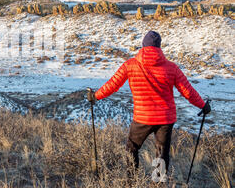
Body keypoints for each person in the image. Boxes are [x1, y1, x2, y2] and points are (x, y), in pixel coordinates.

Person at [87, 30, 211, 174]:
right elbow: (187, 91)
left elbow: (113, 84)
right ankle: (158, 183)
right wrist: (203, 105)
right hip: (165, 118)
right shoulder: (172, 68)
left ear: (143, 46)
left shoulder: (130, 65)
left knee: (131, 148)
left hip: (142, 118)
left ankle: (131, 181)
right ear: (159, 47)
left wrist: (95, 96)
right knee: (161, 153)